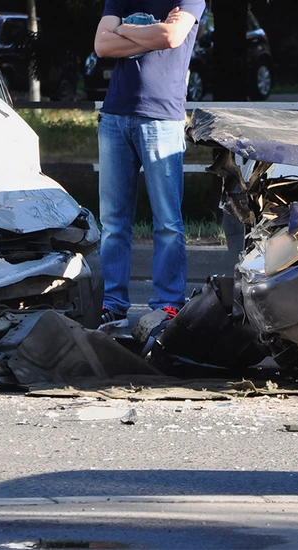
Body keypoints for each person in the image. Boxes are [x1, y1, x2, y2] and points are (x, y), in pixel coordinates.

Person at [93, 0, 206, 332]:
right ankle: (112, 305)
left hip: (162, 118)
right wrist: (150, 33)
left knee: (168, 221)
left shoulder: (190, 0)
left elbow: (171, 37)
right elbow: (101, 45)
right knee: (113, 221)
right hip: (114, 116)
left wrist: (123, 29)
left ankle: (168, 305)